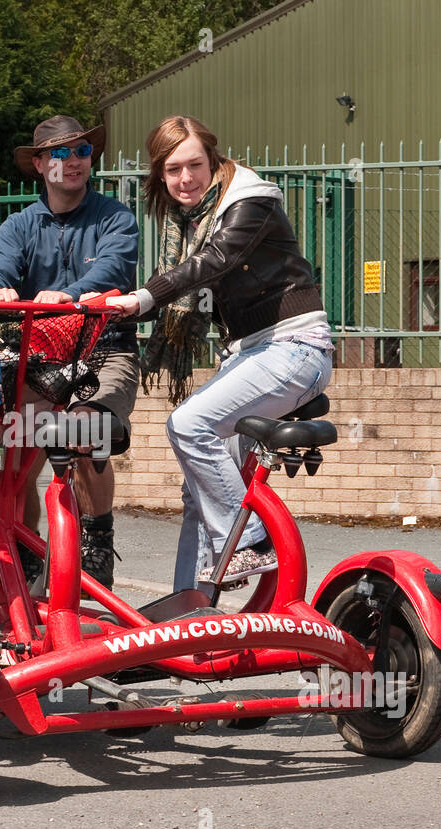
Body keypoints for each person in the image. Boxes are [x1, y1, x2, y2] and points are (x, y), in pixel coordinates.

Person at [106, 116, 333, 592]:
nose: (184, 179)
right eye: (172, 170)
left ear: (214, 161)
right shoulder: (191, 222)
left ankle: (249, 544)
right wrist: (106, 308)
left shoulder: (250, 202)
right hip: (252, 352)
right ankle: (188, 612)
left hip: (293, 348)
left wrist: (145, 296)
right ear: (160, 175)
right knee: (198, 490)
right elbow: (184, 284)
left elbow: (216, 261)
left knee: (189, 425)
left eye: (194, 165)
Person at [0, 115, 139, 588]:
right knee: (22, 452)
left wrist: (68, 295)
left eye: (83, 152)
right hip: (41, 355)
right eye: (62, 153)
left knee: (87, 434)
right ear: (40, 163)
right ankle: (27, 557)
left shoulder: (116, 218)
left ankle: (95, 551)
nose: (74, 162)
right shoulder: (19, 225)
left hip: (105, 348)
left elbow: (111, 272)